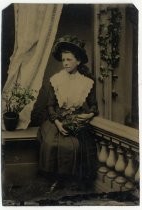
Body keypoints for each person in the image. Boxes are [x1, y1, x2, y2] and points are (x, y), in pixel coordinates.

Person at [37, 35, 99, 192]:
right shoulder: (56, 80)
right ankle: (57, 179)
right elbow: (50, 105)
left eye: (69, 60)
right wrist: (57, 122)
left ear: (78, 62)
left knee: (75, 145)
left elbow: (94, 106)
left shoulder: (87, 82)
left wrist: (88, 115)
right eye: (63, 60)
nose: (65, 63)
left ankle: (71, 180)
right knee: (52, 143)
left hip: (76, 119)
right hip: (55, 118)